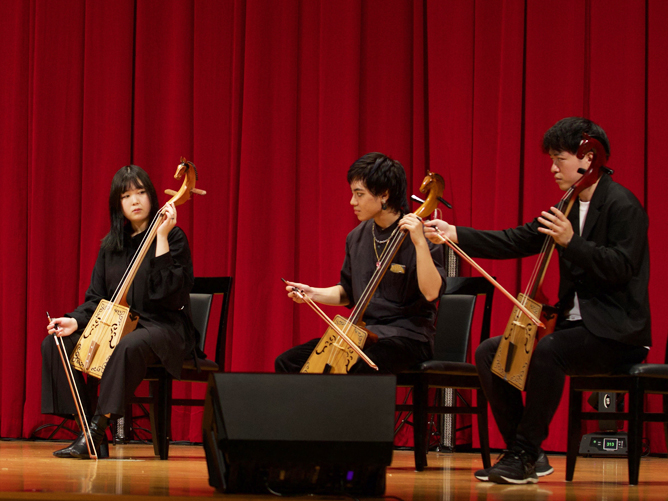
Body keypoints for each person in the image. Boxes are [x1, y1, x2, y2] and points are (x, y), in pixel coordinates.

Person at [424, 117, 651, 484]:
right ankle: (529, 454)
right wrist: (455, 233)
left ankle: (523, 455)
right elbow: (517, 240)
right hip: (576, 331)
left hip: (617, 333)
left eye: (558, 159)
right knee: (490, 353)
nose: (552, 168)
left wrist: (572, 243)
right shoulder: (566, 204)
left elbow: (624, 268)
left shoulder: (622, 205)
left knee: (550, 350)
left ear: (588, 158)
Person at [41, 164, 197, 459]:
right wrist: (75, 320)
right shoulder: (111, 246)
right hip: (121, 326)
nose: (135, 201)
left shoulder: (174, 238)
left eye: (140, 192)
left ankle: (96, 432)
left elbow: (171, 295)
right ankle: (88, 430)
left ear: (151, 196)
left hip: (164, 328)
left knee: (128, 345)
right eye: (126, 196)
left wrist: (161, 238)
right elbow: (97, 298)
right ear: (118, 204)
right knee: (57, 342)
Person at [275, 152, 447, 374]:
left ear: (384, 195)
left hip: (408, 337)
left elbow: (432, 292)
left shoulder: (422, 235)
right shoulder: (356, 237)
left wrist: (420, 243)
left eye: (359, 194)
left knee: (357, 368)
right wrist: (312, 293)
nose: (352, 202)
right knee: (288, 362)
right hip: (364, 335)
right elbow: (348, 292)